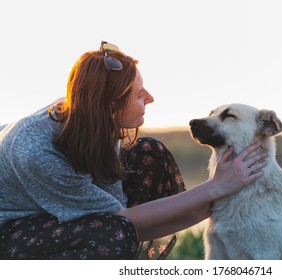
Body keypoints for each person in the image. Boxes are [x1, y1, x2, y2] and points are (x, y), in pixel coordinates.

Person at [0, 41, 267, 260]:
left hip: (56, 207)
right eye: (139, 94)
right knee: (111, 234)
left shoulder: (96, 122)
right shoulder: (35, 151)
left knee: (150, 153)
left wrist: (219, 200)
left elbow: (119, 210)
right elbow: (122, 221)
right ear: (112, 106)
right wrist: (214, 187)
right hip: (10, 229)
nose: (150, 98)